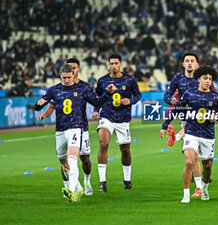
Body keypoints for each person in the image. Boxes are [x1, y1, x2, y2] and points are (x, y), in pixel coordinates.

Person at [34, 63, 116, 202]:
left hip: (76, 127)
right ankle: (78, 188)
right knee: (63, 162)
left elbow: (98, 101)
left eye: (69, 77)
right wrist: (39, 105)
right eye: (64, 77)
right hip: (60, 130)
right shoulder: (54, 90)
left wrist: (108, 92)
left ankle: (71, 191)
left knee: (72, 158)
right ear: (60, 76)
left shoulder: (83, 89)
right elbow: (38, 106)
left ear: (74, 76)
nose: (67, 80)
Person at [37, 58, 95, 196]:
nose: (70, 75)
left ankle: (86, 182)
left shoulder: (84, 87)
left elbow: (96, 100)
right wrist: (43, 113)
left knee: (85, 159)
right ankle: (72, 188)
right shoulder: (57, 90)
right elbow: (51, 104)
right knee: (64, 159)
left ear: (77, 70)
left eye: (73, 68)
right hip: (62, 128)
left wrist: (99, 107)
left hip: (80, 128)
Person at [173, 65, 218, 203]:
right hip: (191, 132)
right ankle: (186, 194)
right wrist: (166, 124)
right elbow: (179, 108)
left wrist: (216, 116)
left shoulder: (215, 96)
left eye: (210, 79)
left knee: (207, 166)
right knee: (189, 161)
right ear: (198, 79)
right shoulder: (189, 94)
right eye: (205, 78)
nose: (208, 81)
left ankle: (204, 188)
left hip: (208, 135)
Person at [92, 54, 142, 192]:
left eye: (116, 63)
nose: (114, 66)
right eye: (111, 63)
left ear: (121, 64)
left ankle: (127, 179)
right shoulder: (102, 81)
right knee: (104, 143)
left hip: (123, 120)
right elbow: (97, 98)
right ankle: (102, 182)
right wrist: (96, 110)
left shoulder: (129, 79)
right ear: (108, 65)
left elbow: (138, 95)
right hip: (106, 117)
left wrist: (130, 101)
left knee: (125, 150)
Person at [160, 53, 206, 197]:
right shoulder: (178, 79)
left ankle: (176, 138)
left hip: (202, 116)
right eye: (187, 61)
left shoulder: (202, 78)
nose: (190, 63)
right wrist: (172, 100)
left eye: (192, 61)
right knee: (195, 156)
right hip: (185, 115)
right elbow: (167, 96)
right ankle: (199, 188)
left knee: (201, 158)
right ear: (183, 64)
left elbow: (214, 95)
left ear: (197, 64)